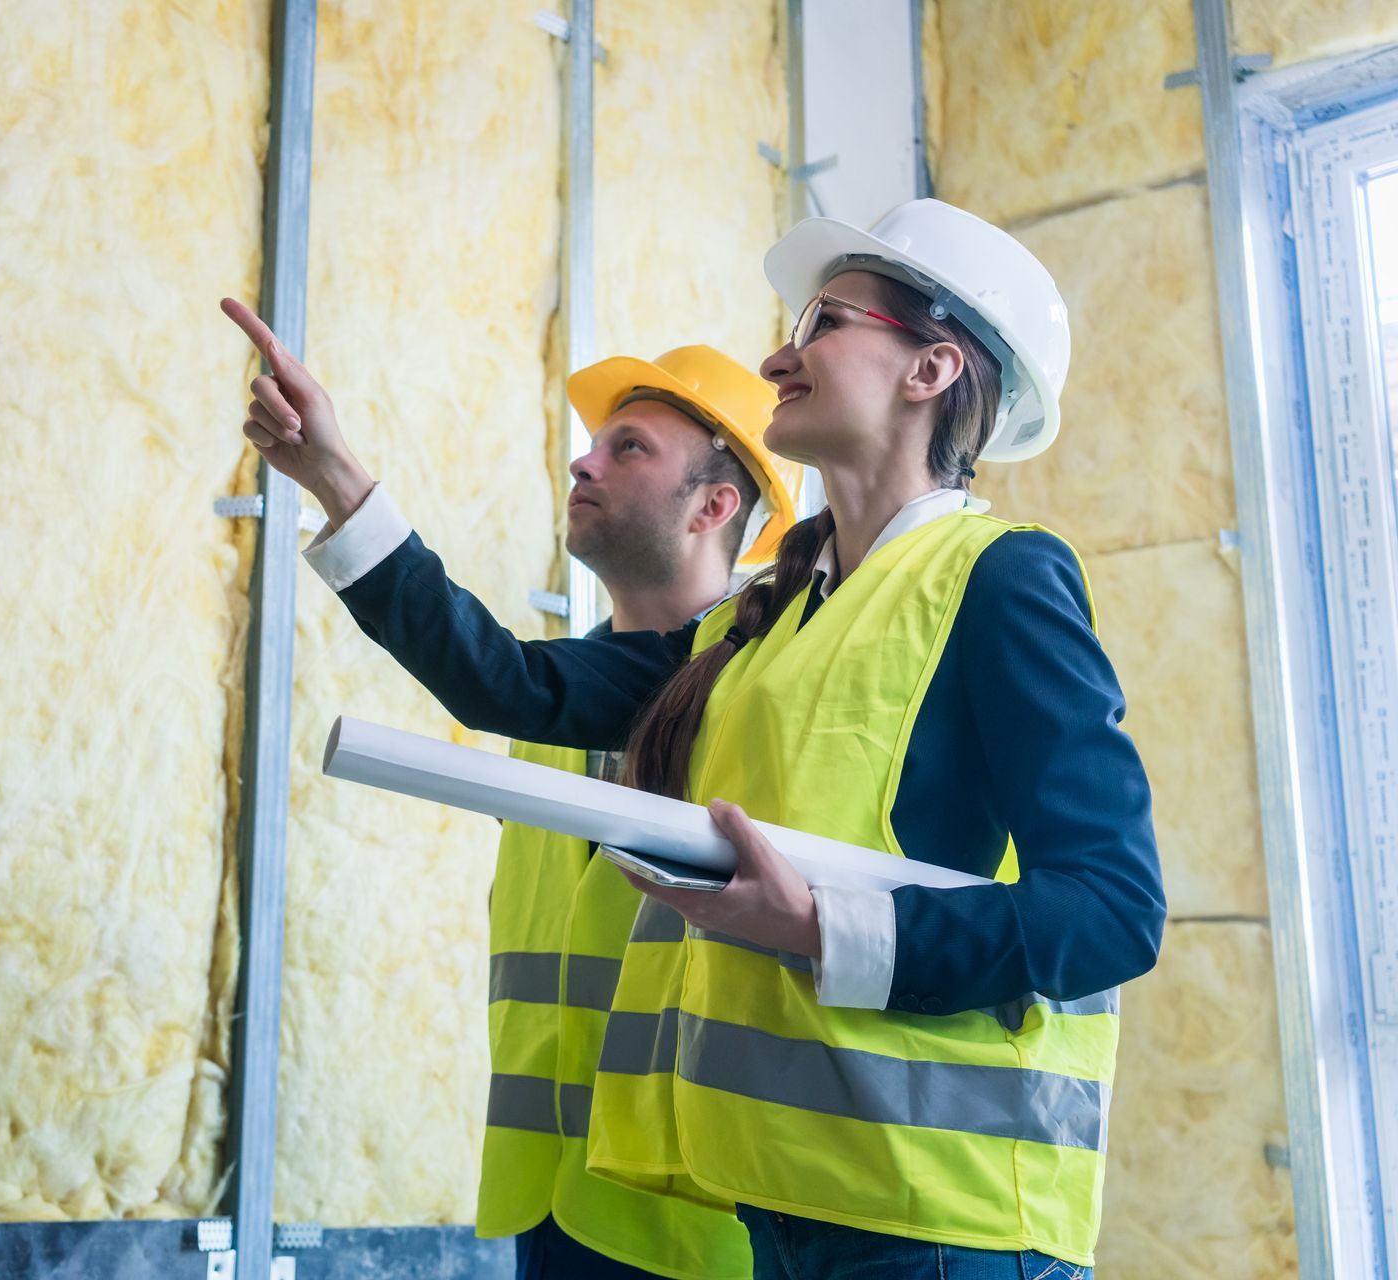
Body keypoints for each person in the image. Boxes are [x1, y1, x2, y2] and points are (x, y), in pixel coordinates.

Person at [220, 196, 1164, 1279]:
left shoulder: (996, 579)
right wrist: (337, 479)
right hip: (782, 1204)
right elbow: (509, 682)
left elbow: (1110, 911)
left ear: (931, 368)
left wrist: (822, 929)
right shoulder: (749, 623)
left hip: (945, 1226)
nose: (778, 355)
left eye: (823, 323)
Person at [482, 346, 795, 1280]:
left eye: (629, 448)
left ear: (713, 506)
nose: (584, 463)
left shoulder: (758, 695)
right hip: (550, 1192)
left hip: (687, 1210)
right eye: (593, 446)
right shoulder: (551, 698)